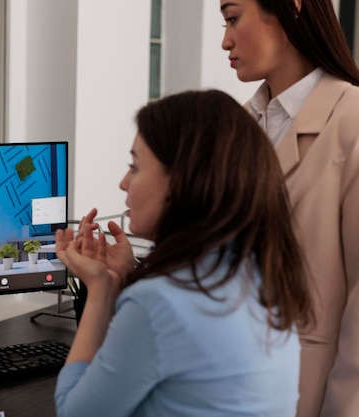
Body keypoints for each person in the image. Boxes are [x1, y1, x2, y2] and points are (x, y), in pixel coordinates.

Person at [54, 90, 313, 417]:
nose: (123, 183)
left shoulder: (158, 303)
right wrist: (126, 276)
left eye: (134, 167)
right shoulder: (263, 275)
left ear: (182, 183)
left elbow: (75, 414)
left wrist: (100, 290)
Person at [219, 1, 359, 415]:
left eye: (232, 19)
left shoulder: (351, 122)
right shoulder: (240, 127)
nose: (225, 40)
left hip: (307, 392)